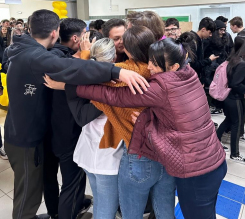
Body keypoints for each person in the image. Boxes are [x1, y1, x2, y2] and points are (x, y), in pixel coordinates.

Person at [46, 34, 227, 219]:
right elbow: (174, 113)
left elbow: (115, 96)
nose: (149, 67)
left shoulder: (153, 82)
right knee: (170, 209)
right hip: (210, 160)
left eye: (154, 64)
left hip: (187, 167)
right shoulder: (188, 73)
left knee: (126, 210)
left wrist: (69, 85)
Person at [4, 9, 148, 219]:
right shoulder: (38, 57)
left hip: (29, 133)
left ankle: (53, 213)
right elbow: (69, 67)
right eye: (116, 39)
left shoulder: (21, 49)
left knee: (40, 185)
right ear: (55, 32)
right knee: (29, 194)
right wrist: (115, 72)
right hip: (28, 138)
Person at [45, 27, 176, 219]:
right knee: (110, 205)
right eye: (116, 39)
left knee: (107, 205)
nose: (119, 43)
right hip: (108, 152)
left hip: (103, 151)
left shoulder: (124, 76)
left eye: (122, 40)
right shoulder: (142, 74)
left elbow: (94, 86)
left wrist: (68, 83)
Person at [44, 18, 92, 219]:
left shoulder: (45, 55)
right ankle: (70, 213)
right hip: (67, 129)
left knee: (50, 177)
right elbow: (81, 80)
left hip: (47, 128)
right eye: (86, 35)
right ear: (76, 38)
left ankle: (55, 212)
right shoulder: (68, 61)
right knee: (72, 180)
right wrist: (87, 55)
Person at [71, 38, 124, 219]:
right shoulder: (117, 84)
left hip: (87, 147)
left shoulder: (84, 79)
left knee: (100, 200)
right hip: (108, 154)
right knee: (107, 206)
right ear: (114, 58)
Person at [216, 35, 245, 162]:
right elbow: (235, 83)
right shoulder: (241, 63)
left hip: (227, 97)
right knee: (236, 124)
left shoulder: (232, 59)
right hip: (235, 98)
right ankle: (235, 153)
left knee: (228, 120)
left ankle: (216, 141)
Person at [204, 20, 229, 116]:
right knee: (211, 89)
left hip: (221, 68)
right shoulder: (207, 41)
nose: (223, 32)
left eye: (224, 30)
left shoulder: (225, 39)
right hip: (210, 69)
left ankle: (218, 106)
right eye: (221, 30)